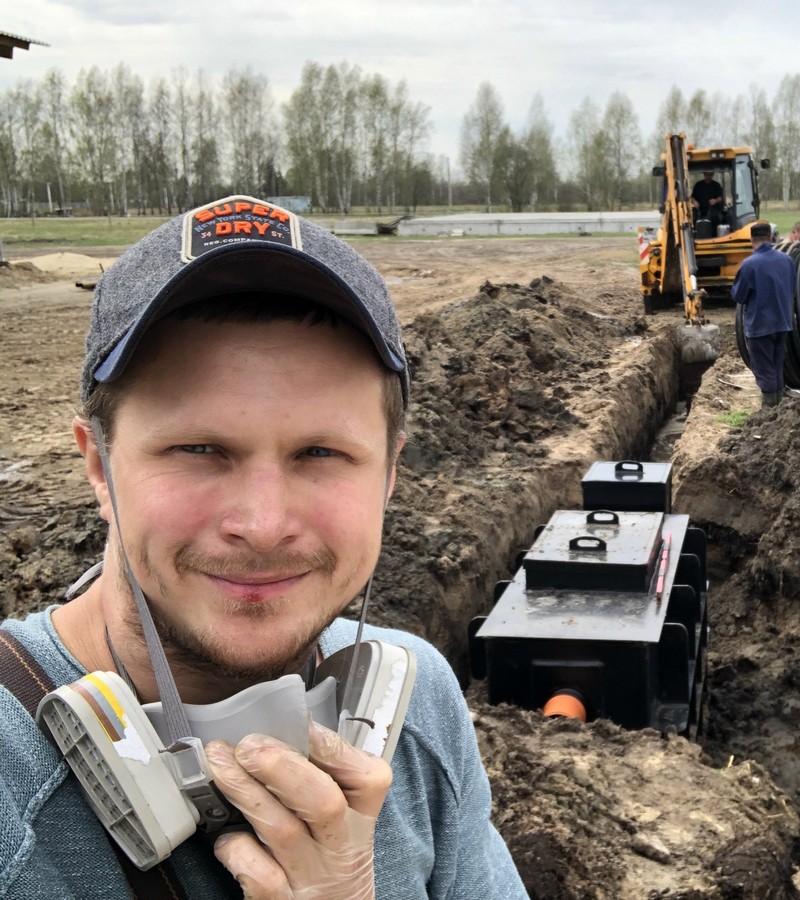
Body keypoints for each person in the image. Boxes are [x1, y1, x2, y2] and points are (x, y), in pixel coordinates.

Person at [0, 196, 528, 899]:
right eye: (199, 449)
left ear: (389, 475)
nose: (264, 524)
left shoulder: (422, 705)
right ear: (99, 467)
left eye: (321, 452)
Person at [732, 221, 796, 408]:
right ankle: (778, 411)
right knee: (777, 365)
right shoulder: (787, 260)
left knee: (764, 369)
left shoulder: (750, 264)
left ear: (751, 240)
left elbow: (739, 296)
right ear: (770, 237)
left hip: (760, 326)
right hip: (783, 323)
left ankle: (768, 411)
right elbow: (792, 289)